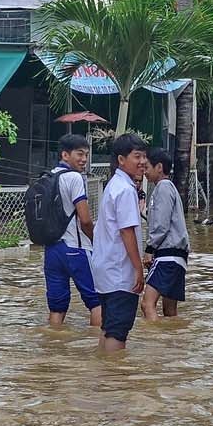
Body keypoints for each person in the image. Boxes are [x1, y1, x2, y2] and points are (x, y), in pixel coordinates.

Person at [92, 133, 147, 351]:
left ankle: (103, 375)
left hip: (106, 271)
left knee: (109, 327)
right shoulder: (125, 190)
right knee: (118, 330)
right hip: (120, 273)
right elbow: (127, 232)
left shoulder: (114, 184)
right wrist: (138, 268)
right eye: (137, 156)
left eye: (144, 156)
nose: (143, 162)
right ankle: (114, 381)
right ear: (121, 160)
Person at [43, 133, 102, 329]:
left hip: (52, 250)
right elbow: (85, 220)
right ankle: (100, 353)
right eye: (79, 154)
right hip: (76, 249)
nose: (84, 159)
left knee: (56, 308)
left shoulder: (48, 176)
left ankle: (53, 348)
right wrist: (97, 242)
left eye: (86, 154)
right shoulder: (75, 178)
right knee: (97, 302)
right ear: (65, 155)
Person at [141, 148, 189, 321]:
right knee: (170, 312)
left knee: (147, 304)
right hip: (178, 258)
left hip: (167, 256)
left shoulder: (162, 187)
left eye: (147, 167)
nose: (144, 172)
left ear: (159, 167)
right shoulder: (170, 189)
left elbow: (161, 226)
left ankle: (154, 346)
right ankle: (171, 343)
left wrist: (149, 249)